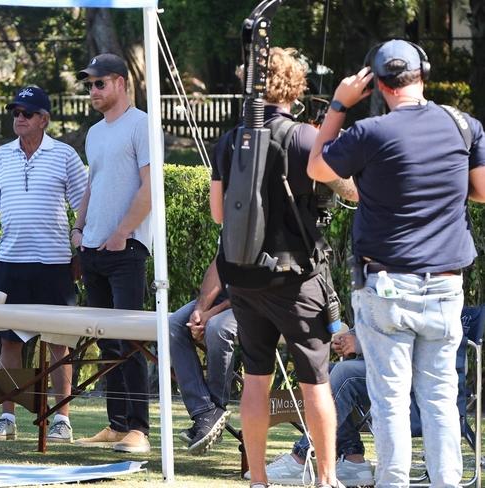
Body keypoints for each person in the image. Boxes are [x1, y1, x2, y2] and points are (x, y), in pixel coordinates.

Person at [307, 39, 485, 487]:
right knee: (442, 397)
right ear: (424, 72)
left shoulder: (370, 134)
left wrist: (338, 105)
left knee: (389, 400)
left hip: (386, 287)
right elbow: (481, 190)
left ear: (377, 84)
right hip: (446, 286)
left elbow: (316, 167)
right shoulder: (464, 126)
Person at [210, 47, 357, 488]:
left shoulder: (231, 140)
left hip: (243, 276)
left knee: (256, 377)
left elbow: (219, 214)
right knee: (315, 380)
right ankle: (327, 479)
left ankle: (258, 479)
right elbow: (348, 192)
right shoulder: (305, 138)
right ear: (296, 87)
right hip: (296, 278)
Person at [0, 86, 88, 444]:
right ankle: (7, 417)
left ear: (44, 119)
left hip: (55, 265)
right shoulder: (0, 156)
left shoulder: (65, 155)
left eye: (27, 112)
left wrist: (79, 252)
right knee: (11, 343)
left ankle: (61, 421)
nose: (19, 118)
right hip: (9, 265)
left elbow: (86, 206)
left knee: (59, 343)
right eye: (16, 112)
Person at [71, 53, 152, 454]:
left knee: (129, 339)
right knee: (106, 342)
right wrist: (79, 227)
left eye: (99, 83)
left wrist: (122, 233)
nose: (93, 91)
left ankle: (139, 429)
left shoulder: (142, 124)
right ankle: (117, 425)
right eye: (89, 85)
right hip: (93, 248)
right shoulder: (94, 133)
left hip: (128, 248)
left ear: (120, 82)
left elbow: (149, 188)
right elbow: (93, 183)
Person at [264, 330, 373, 487]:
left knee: (344, 373)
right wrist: (347, 338)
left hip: (404, 371)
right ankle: (352, 460)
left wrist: (360, 343)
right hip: (375, 364)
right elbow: (370, 323)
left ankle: (301, 456)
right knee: (324, 371)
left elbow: (401, 332)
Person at [169, 258, 237, 455]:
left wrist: (210, 313)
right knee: (174, 325)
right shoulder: (229, 227)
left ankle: (214, 412)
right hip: (226, 300)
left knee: (217, 327)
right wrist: (199, 310)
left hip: (256, 301)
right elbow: (217, 267)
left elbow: (252, 287)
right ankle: (204, 411)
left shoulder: (265, 229)